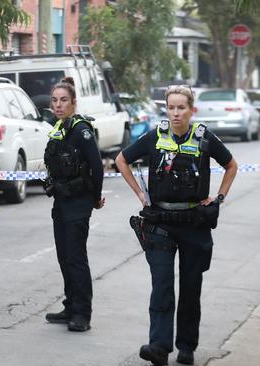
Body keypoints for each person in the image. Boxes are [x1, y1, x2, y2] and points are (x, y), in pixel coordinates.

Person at [115, 85, 237, 365]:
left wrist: (218, 198)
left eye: (181, 107)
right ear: (166, 109)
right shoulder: (154, 137)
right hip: (160, 223)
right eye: (171, 107)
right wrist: (139, 193)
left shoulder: (204, 138)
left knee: (191, 287)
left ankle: (187, 346)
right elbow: (122, 160)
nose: (175, 113)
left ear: (191, 110)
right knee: (162, 285)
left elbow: (231, 165)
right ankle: (158, 345)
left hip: (194, 222)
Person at [42, 77, 105, 332]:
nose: (58, 105)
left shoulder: (81, 130)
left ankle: (82, 313)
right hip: (61, 199)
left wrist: (95, 197)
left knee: (76, 257)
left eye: (64, 100)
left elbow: (97, 166)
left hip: (78, 202)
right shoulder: (59, 128)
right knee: (64, 256)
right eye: (55, 100)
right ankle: (70, 305)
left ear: (74, 103)